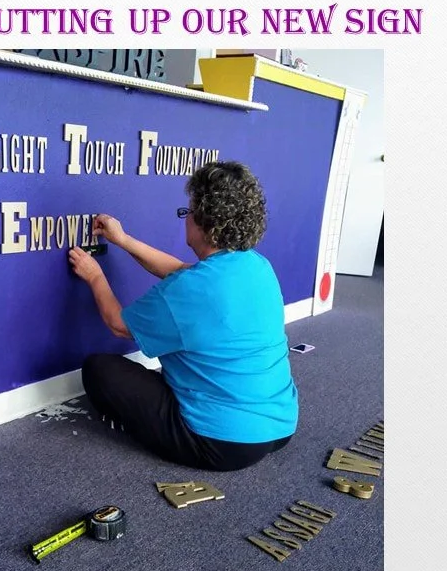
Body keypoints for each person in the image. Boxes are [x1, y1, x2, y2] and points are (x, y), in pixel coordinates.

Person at [68, 161, 298, 471]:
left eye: (188, 211)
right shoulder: (256, 266)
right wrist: (122, 240)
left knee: (99, 369)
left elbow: (118, 325)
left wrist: (95, 275)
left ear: (206, 222)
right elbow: (177, 269)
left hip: (223, 443)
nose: (185, 218)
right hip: (281, 424)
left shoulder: (190, 289)